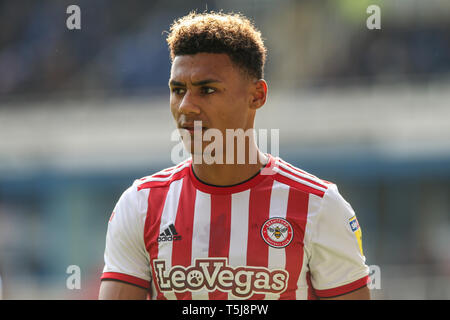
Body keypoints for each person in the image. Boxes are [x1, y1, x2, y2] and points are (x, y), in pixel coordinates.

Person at [98, 11, 370, 300]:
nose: (186, 106)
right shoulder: (140, 205)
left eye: (207, 90)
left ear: (257, 96)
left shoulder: (320, 206)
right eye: (178, 90)